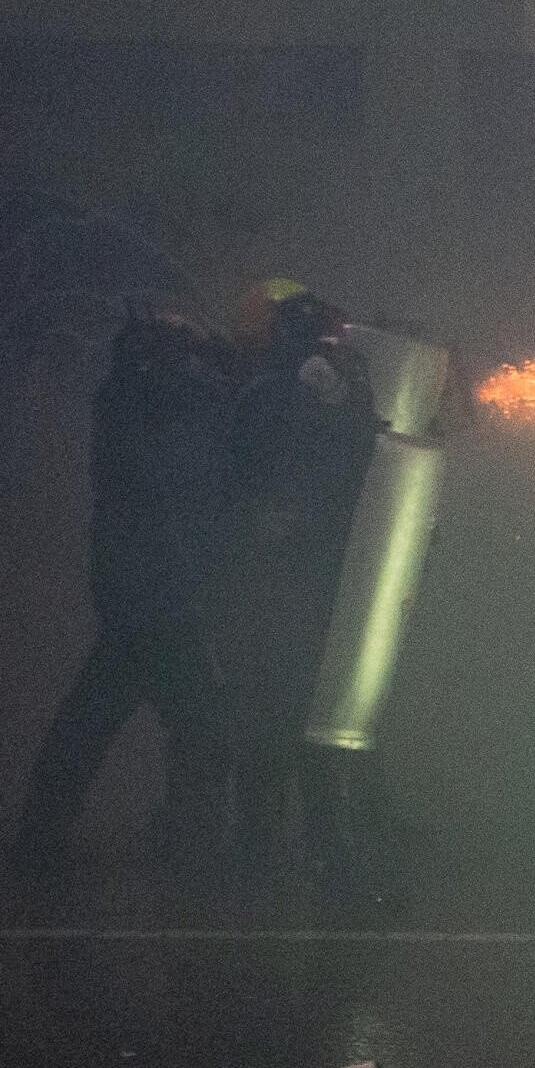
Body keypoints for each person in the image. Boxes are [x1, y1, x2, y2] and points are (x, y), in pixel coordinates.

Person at [12, 294, 247, 877]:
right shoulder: (164, 398)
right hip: (158, 588)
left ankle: (46, 837)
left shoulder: (126, 394)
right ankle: (185, 848)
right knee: (179, 723)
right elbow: (197, 462)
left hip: (139, 585)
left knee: (113, 715)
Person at [223, 280, 381, 886]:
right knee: (285, 721)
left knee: (296, 720)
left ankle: (271, 857)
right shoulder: (270, 396)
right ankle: (291, 858)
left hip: (298, 581)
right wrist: (344, 404)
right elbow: (316, 468)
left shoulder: (276, 391)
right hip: (281, 582)